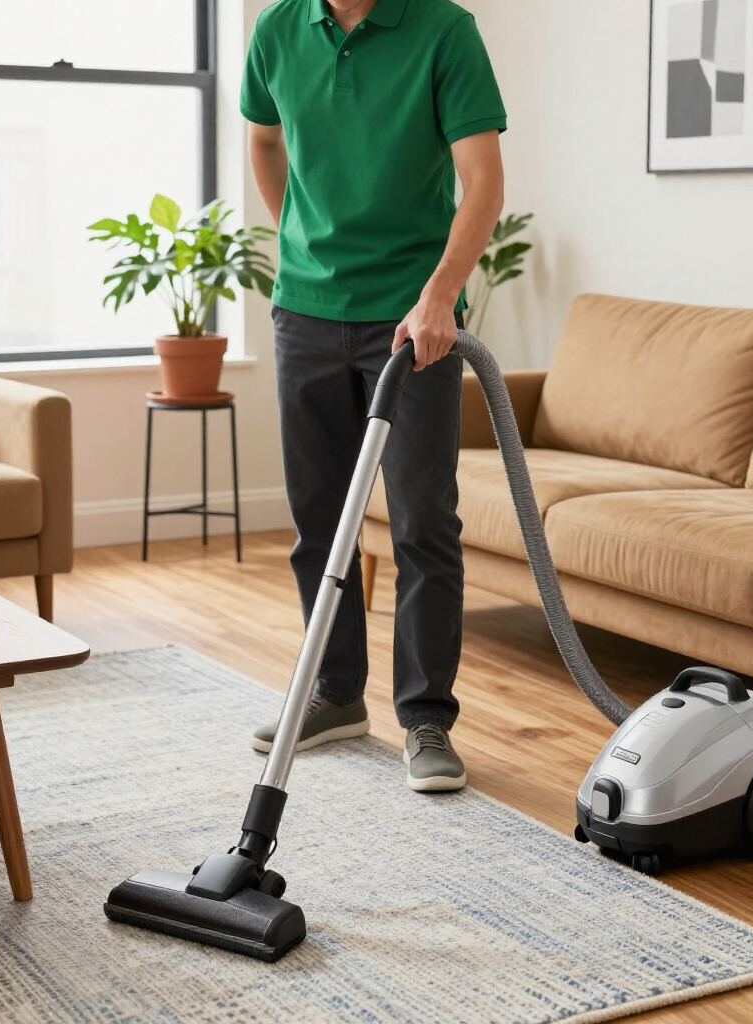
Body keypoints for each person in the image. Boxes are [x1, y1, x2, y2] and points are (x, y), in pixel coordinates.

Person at [242, 0, 506, 791]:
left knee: (423, 520)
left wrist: (438, 298)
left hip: (412, 321)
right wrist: (298, 230)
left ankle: (426, 718)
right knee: (318, 519)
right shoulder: (277, 30)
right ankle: (336, 693)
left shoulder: (443, 30)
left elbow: (483, 182)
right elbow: (263, 136)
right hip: (305, 314)